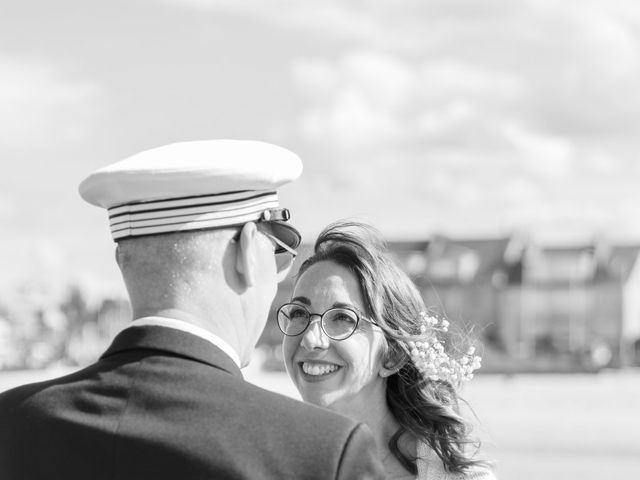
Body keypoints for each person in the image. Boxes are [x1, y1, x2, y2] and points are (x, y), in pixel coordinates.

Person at [0, 141, 385, 480]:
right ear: (250, 252)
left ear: (122, 261)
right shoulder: (323, 453)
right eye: (277, 252)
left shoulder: (11, 423)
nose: (279, 273)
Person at [279, 221, 497, 479]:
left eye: (342, 318)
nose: (310, 339)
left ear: (393, 355)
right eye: (299, 313)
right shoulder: (269, 463)